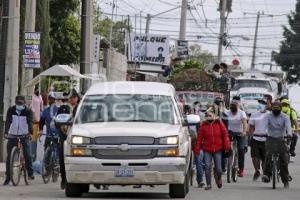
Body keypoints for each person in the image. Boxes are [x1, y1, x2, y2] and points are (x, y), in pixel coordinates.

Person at [194, 111, 230, 190]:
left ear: (214, 116)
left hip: (218, 149)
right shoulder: (203, 126)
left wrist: (227, 146)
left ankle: (218, 178)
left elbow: (225, 134)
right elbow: (199, 139)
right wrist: (197, 150)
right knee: (207, 166)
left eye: (210, 115)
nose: (208, 117)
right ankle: (209, 184)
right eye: (207, 115)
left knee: (219, 169)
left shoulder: (219, 123)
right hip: (207, 149)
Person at [3, 95, 34, 185]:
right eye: (18, 103)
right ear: (15, 103)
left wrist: (30, 133)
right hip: (12, 135)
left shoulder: (28, 111)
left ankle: (30, 172)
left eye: (21, 103)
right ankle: (8, 177)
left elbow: (30, 122)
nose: (19, 105)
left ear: (24, 103)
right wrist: (6, 132)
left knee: (28, 154)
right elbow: (8, 121)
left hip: (24, 135)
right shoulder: (11, 110)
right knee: (9, 157)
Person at [262, 102, 292, 189]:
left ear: (281, 108)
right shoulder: (268, 116)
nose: (275, 110)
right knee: (268, 155)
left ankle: (285, 179)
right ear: (272, 109)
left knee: (283, 158)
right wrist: (262, 132)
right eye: (274, 108)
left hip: (281, 139)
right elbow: (264, 125)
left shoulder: (285, 117)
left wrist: (289, 134)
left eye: (277, 109)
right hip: (270, 138)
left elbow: (288, 126)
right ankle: (267, 175)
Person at [226, 100, 248, 177]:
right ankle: (225, 165)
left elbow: (245, 123)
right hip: (230, 133)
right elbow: (223, 123)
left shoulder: (241, 113)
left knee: (241, 149)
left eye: (234, 107)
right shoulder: (227, 113)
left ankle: (241, 169)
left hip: (240, 133)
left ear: (238, 107)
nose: (233, 110)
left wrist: (244, 132)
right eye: (231, 107)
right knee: (225, 147)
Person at [248, 99, 269, 181]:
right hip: (256, 138)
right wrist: (250, 137)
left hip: (266, 139)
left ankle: (265, 173)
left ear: (266, 105)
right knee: (254, 156)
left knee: (264, 158)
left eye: (263, 103)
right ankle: (257, 170)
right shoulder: (254, 114)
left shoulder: (269, 115)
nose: (261, 105)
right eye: (259, 104)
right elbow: (251, 127)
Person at [209, 97, 229, 173]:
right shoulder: (209, 115)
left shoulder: (225, 116)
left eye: (220, 104)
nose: (218, 106)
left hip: (220, 138)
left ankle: (223, 167)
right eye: (217, 104)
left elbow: (226, 129)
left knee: (222, 153)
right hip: (210, 137)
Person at [31, 86, 43, 161]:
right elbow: (32, 108)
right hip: (34, 122)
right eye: (37, 89)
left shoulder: (40, 96)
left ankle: (37, 158)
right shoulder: (32, 97)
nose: (38, 90)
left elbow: (41, 108)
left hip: (39, 122)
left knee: (39, 141)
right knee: (33, 141)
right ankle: (33, 157)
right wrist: (35, 117)